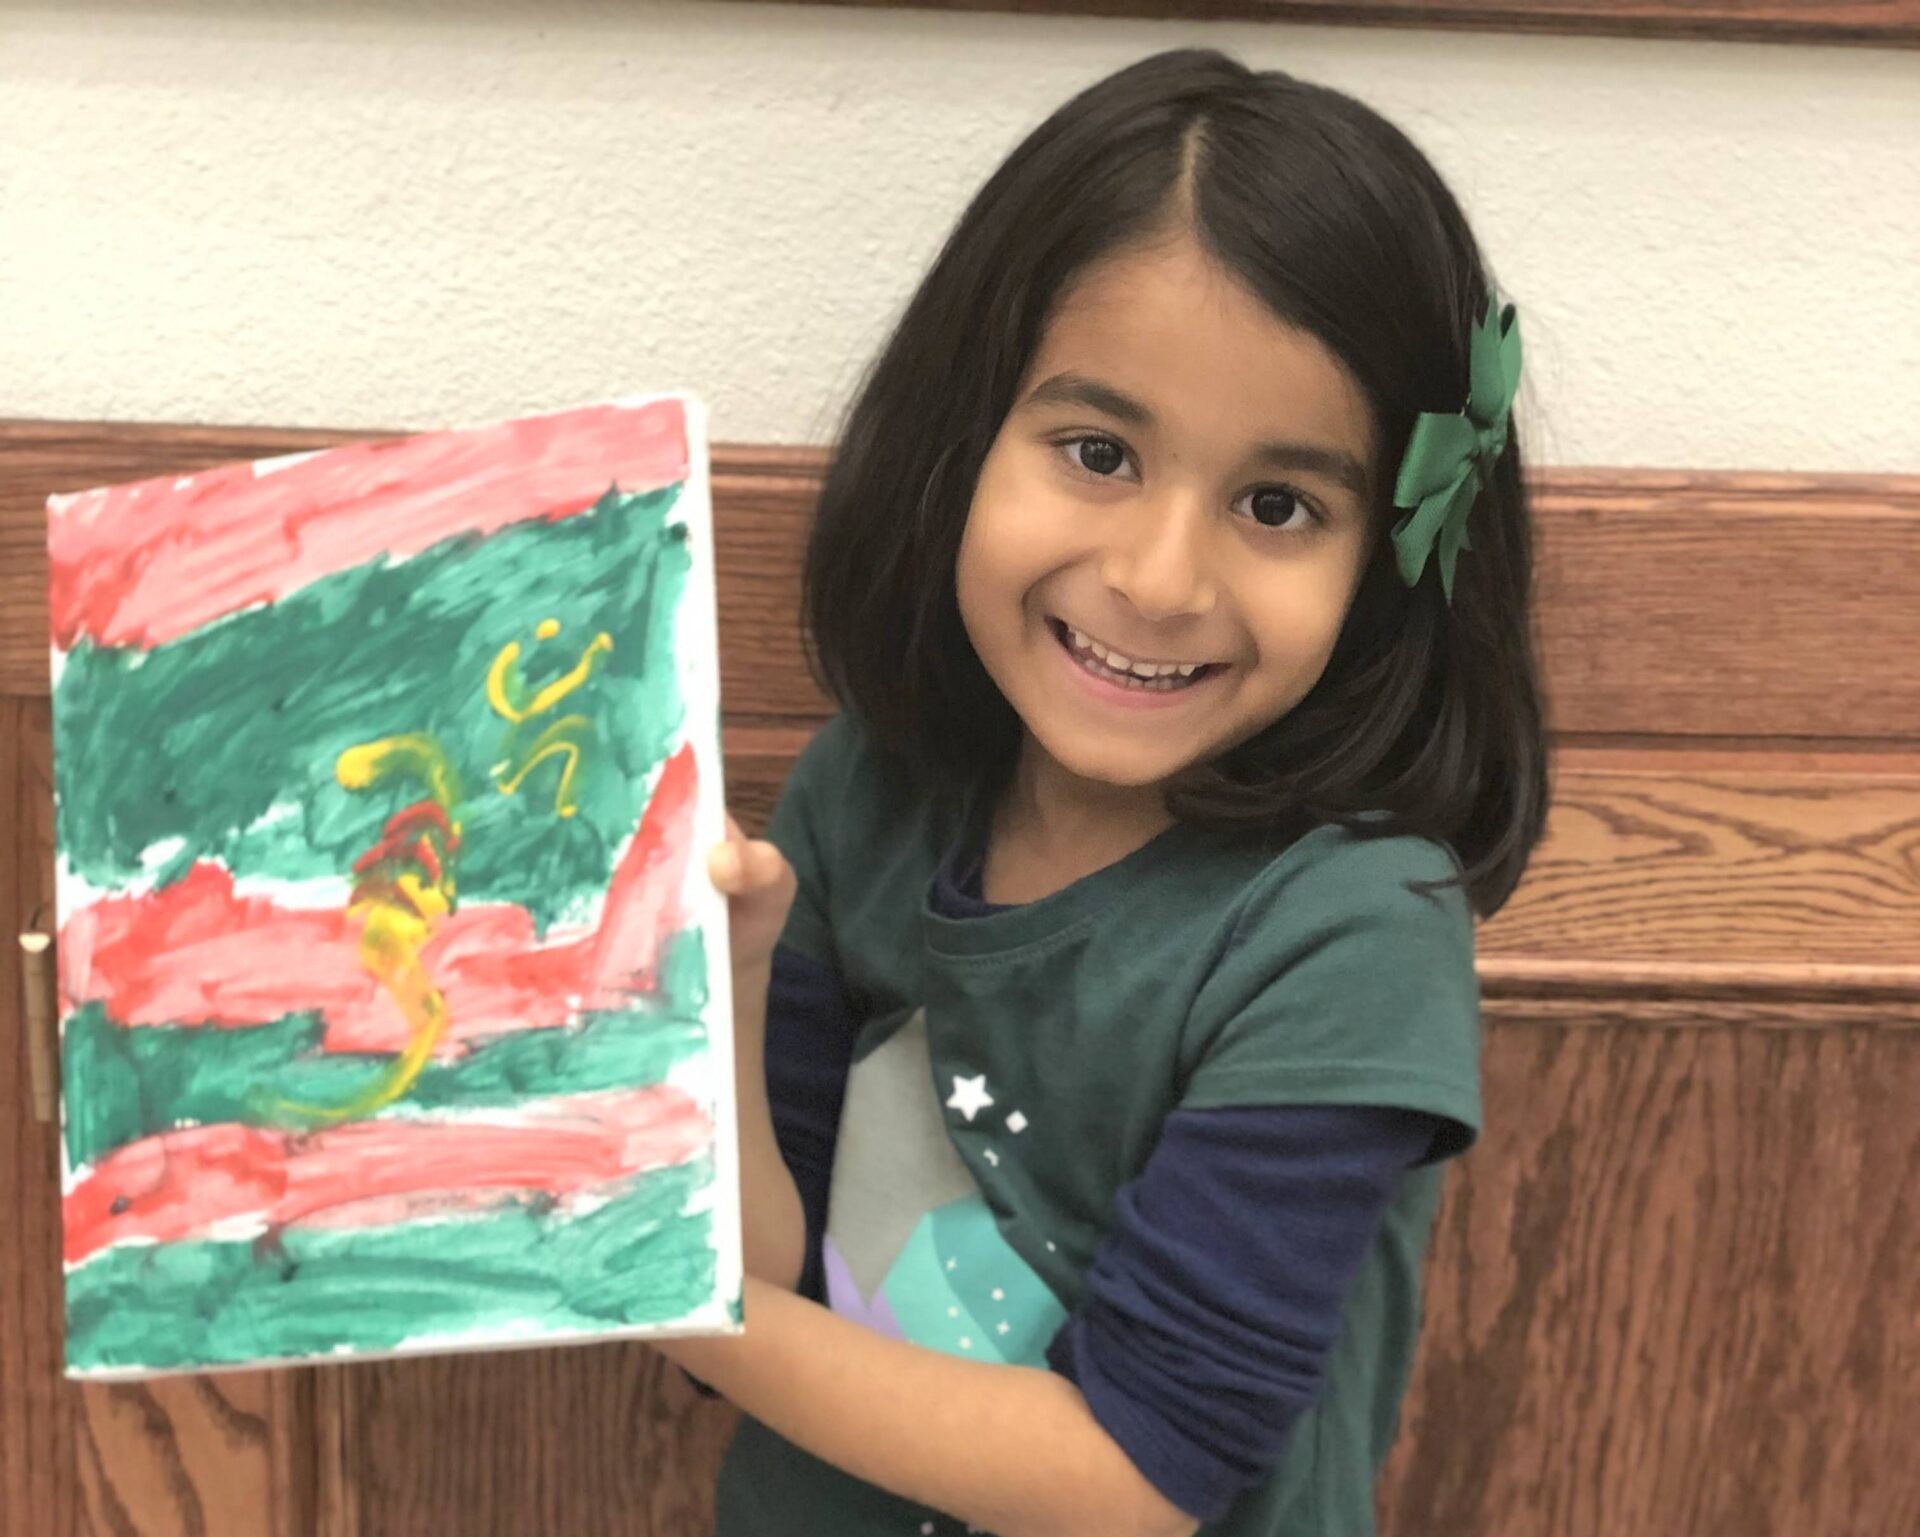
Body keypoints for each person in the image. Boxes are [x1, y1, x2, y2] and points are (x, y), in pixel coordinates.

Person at [661, 46, 1550, 1537]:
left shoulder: (1350, 929)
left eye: (1277, 504)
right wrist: (730, 993)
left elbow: (1133, 1477)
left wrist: (633, 1287)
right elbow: (761, 1272)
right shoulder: (862, 792)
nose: (1159, 576)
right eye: (1098, 452)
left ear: (1392, 557)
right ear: (962, 441)